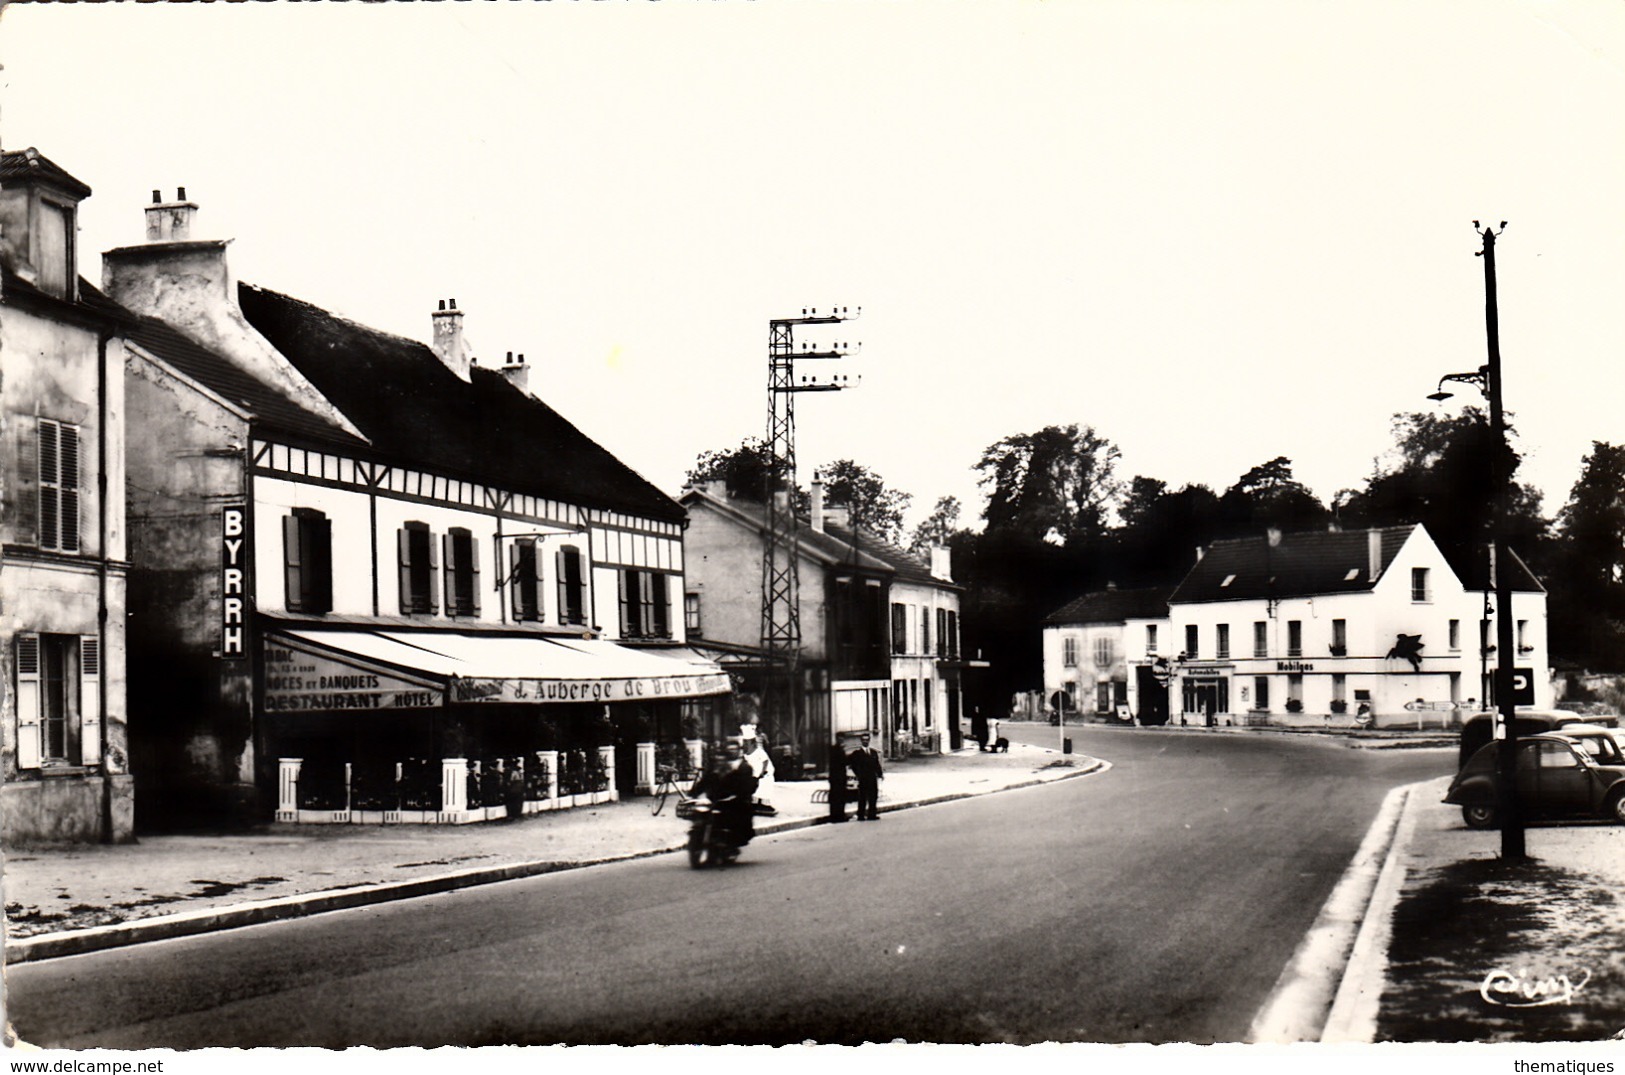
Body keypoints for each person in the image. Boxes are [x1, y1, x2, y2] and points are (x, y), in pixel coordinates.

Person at [690, 742, 759, 846]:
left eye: (734, 749)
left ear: (739, 751)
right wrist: (693, 794)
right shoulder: (717, 770)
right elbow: (704, 783)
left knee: (734, 816)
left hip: (736, 800)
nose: (732, 751)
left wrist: (737, 795)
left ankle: (731, 839)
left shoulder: (742, 768)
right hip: (716, 800)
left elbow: (746, 784)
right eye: (730, 749)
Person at [847, 731, 883, 821]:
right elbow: (852, 764)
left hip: (872, 777)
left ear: (869, 741)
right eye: (863, 740)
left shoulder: (873, 752)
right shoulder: (857, 753)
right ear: (861, 741)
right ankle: (861, 815)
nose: (865, 742)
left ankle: (872, 814)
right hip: (863, 778)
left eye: (867, 740)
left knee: (873, 796)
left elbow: (877, 764)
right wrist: (858, 774)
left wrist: (880, 774)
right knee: (862, 797)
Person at [739, 723, 775, 807]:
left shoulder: (759, 751)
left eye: (747, 743)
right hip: (755, 771)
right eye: (744, 743)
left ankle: (764, 803)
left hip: (765, 772)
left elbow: (765, 761)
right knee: (753, 786)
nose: (745, 745)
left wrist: (763, 771)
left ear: (752, 743)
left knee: (764, 786)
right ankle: (754, 802)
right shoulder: (745, 753)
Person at [826, 738, 850, 822]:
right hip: (838, 777)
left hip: (836, 777)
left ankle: (836, 816)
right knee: (839, 797)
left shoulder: (835, 749)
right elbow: (843, 762)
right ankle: (839, 816)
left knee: (837, 797)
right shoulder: (838, 750)